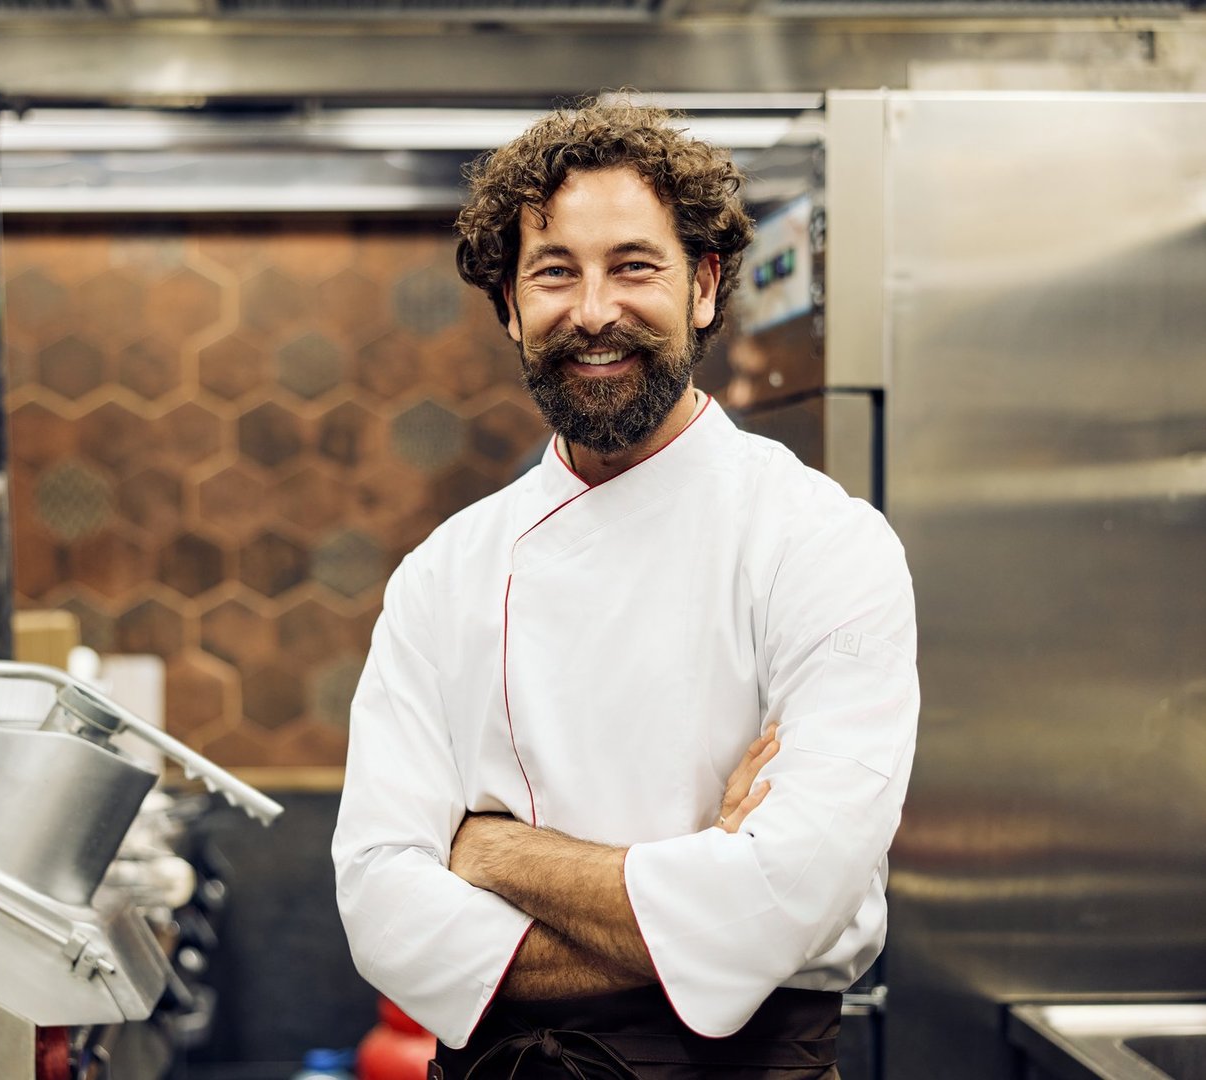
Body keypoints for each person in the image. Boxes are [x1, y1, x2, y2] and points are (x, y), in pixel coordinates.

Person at [331, 100, 918, 1080]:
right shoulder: (446, 572)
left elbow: (783, 898)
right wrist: (696, 907)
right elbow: (382, 909)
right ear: (511, 308)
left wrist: (496, 858)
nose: (594, 310)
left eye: (634, 265)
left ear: (705, 286)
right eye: (555, 271)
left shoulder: (821, 545)